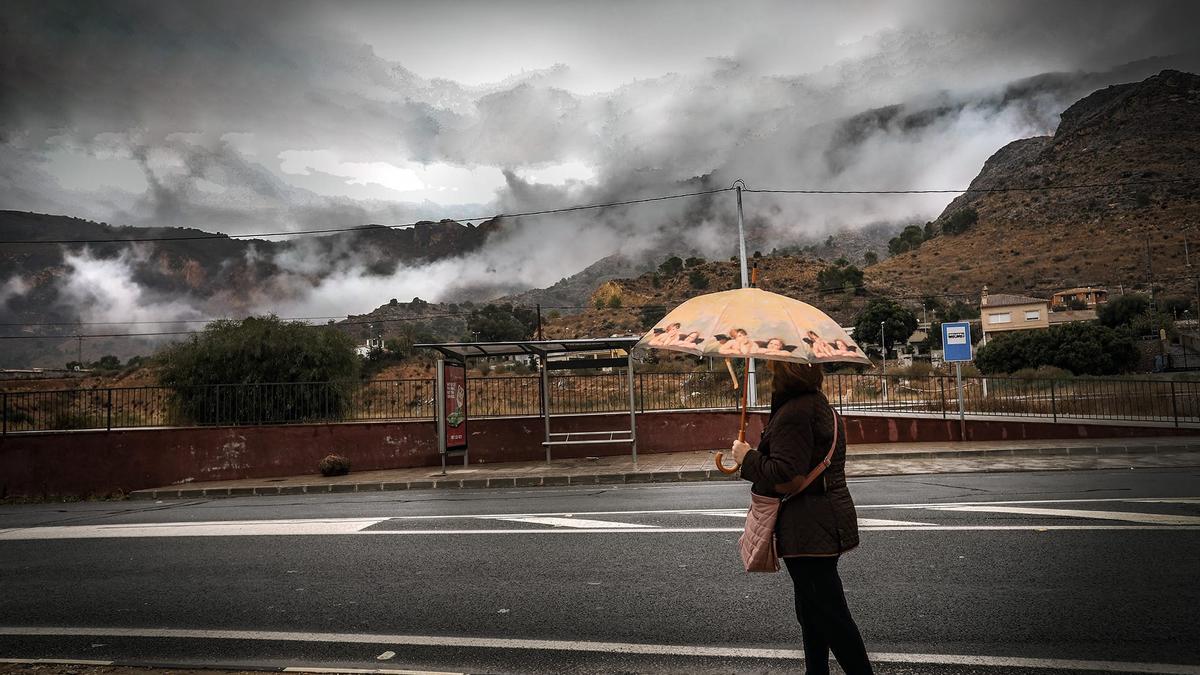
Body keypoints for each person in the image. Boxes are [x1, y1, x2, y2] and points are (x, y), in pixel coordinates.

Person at [731, 360, 873, 675]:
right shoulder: (819, 406)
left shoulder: (794, 413)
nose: (770, 376)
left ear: (783, 375)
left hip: (808, 525)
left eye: (773, 370)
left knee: (831, 616)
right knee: (812, 612)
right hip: (822, 520)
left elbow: (786, 475)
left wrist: (747, 458)